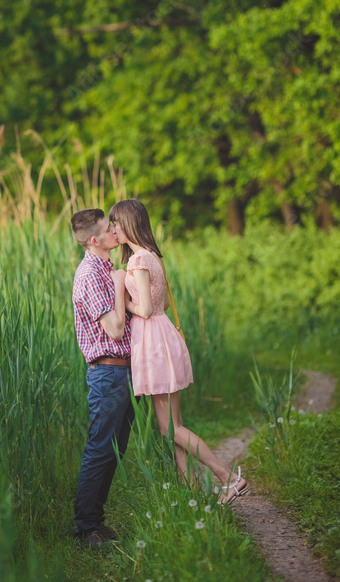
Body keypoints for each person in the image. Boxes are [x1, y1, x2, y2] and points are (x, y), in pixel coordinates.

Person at [108, 198, 249, 505]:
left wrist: (121, 290)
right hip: (162, 335)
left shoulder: (136, 262)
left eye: (115, 223)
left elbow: (144, 309)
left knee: (169, 427)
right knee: (174, 426)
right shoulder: (152, 256)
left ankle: (228, 478)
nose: (112, 229)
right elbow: (164, 305)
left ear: (128, 223)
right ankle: (190, 492)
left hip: (153, 343)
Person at [70, 208, 136, 549]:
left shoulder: (106, 269)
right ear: (94, 240)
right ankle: (85, 529)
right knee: (100, 448)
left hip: (122, 370)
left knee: (115, 449)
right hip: (108, 371)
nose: (115, 230)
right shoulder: (91, 275)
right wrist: (118, 284)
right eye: (108, 228)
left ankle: (95, 521)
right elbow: (114, 328)